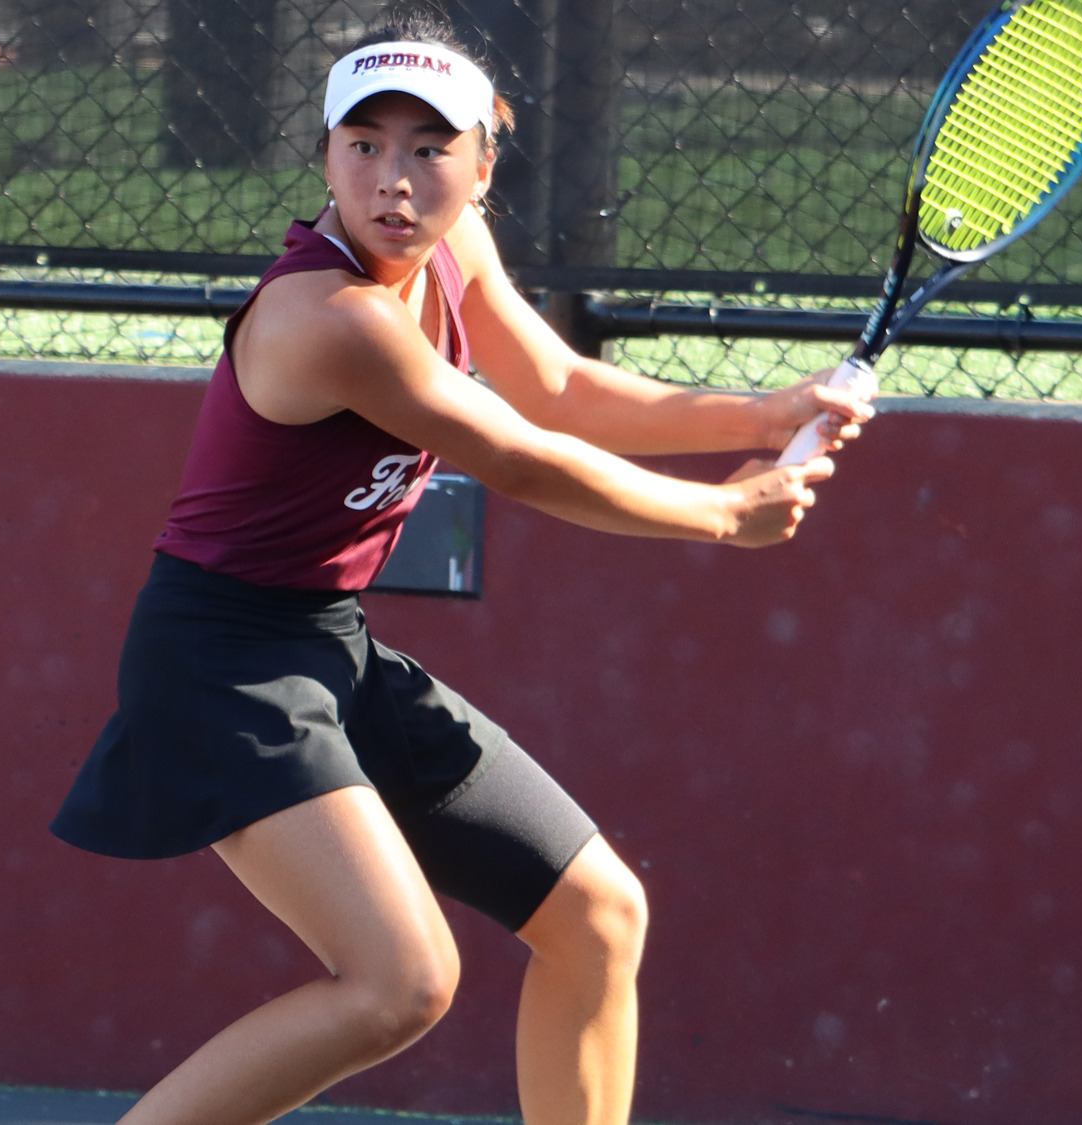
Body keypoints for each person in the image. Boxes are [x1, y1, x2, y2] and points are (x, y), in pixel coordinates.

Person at [52, 13, 874, 1125]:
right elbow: (517, 456)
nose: (393, 179)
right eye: (364, 145)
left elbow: (555, 388)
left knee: (597, 916)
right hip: (217, 668)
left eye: (430, 149)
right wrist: (722, 514)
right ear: (326, 155)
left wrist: (762, 415)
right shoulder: (327, 317)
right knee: (400, 983)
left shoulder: (453, 248)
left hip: (327, 644)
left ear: (483, 168)